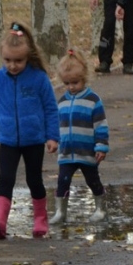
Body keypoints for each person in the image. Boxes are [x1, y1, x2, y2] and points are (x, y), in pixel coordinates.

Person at [0, 22, 59, 239]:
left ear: (28, 57)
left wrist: (52, 136)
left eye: (18, 61)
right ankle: (0, 222)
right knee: (5, 179)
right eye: (8, 60)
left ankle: (40, 221)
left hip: (34, 139)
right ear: (1, 57)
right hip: (7, 139)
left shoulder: (38, 78)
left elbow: (50, 108)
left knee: (34, 180)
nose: (13, 65)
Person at [50, 49, 109, 225]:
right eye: (66, 83)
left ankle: (101, 208)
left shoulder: (93, 100)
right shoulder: (62, 101)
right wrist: (52, 139)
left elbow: (101, 125)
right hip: (67, 152)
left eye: (75, 82)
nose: (71, 87)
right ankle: (61, 211)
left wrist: (101, 146)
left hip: (87, 151)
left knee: (92, 180)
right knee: (62, 181)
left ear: (84, 77)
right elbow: (57, 124)